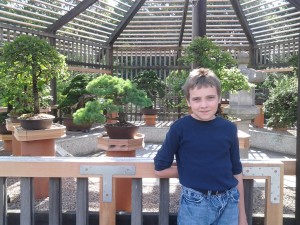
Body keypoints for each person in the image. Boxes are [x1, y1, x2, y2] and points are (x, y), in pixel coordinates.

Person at [154, 68, 248, 225]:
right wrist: (193, 169)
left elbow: (236, 171)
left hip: (230, 202)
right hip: (195, 204)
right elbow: (159, 169)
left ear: (219, 98)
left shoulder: (229, 128)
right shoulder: (180, 128)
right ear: (188, 101)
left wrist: (242, 216)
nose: (204, 105)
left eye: (210, 98)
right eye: (197, 99)